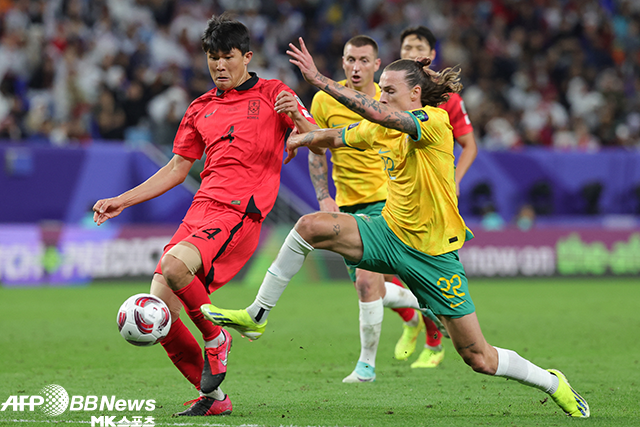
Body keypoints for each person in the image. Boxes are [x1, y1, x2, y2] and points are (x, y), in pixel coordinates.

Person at [201, 37, 590, 418]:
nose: (381, 96)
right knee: (310, 226)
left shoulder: (434, 123)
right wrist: (303, 138)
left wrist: (320, 80)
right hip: (388, 233)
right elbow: (340, 135)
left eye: (389, 90)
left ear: (416, 93)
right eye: (381, 90)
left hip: (434, 257)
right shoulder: (385, 128)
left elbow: (378, 115)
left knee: (479, 357)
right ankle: (257, 314)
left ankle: (552, 382)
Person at [92, 15, 316, 417]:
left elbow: (318, 142)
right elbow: (178, 168)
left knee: (174, 266)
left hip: (239, 213)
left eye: (227, 57)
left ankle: (217, 339)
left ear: (246, 56)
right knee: (158, 311)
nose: (219, 66)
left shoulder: (273, 93)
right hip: (201, 210)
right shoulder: (200, 107)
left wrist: (298, 119)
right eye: (213, 58)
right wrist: (123, 200)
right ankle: (213, 399)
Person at [305, 34, 445, 382]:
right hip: (348, 203)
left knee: (368, 285)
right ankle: (417, 310)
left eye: (363, 60)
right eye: (350, 60)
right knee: (371, 289)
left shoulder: (389, 101)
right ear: (342, 61)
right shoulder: (324, 101)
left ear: (377, 64)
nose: (356, 67)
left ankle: (366, 366)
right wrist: (324, 194)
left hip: (387, 202)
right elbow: (319, 147)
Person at [392, 25, 480, 367]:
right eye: (406, 45)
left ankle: (434, 338)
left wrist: (455, 182)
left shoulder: (447, 101)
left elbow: (469, 144)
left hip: (431, 199)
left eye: (418, 45)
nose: (412, 50)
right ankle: (413, 321)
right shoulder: (385, 93)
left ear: (430, 53)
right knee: (379, 276)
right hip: (394, 192)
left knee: (424, 271)